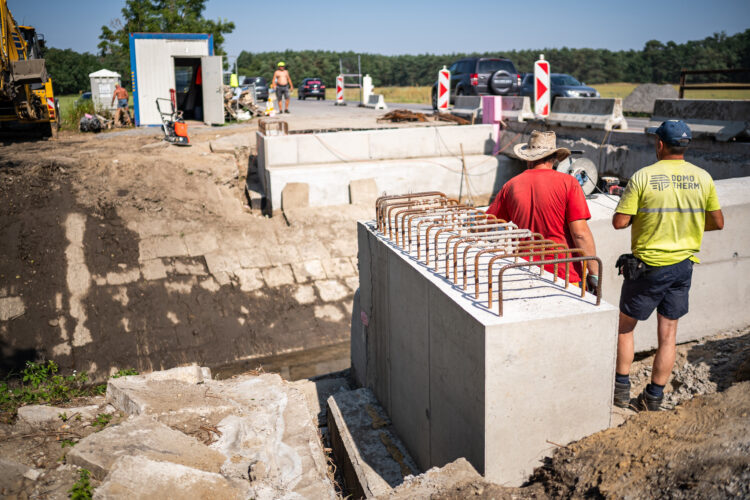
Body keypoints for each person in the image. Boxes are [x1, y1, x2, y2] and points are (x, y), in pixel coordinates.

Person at [612, 120, 724, 411]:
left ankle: (620, 391)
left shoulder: (643, 177)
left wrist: (644, 218)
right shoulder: (703, 178)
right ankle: (653, 398)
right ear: (685, 146)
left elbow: (619, 222)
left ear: (660, 144)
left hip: (648, 267)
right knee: (669, 335)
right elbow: (717, 222)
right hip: (682, 265)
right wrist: (687, 226)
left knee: (625, 328)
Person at [486, 130, 599, 287]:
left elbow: (487, 224)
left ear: (528, 159)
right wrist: (594, 273)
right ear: (553, 159)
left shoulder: (511, 185)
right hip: (564, 273)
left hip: (524, 270)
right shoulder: (569, 183)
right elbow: (580, 234)